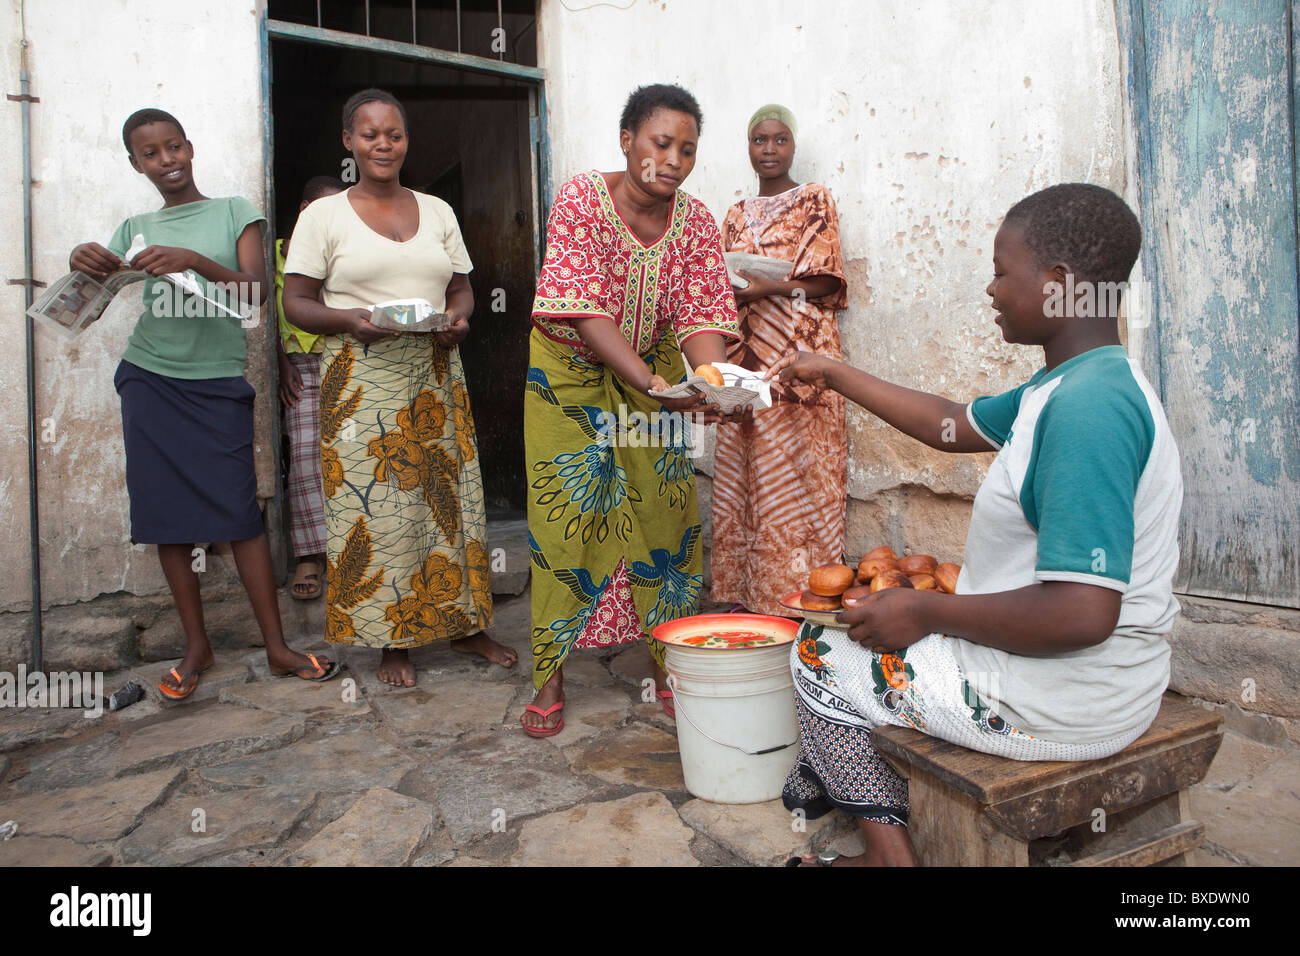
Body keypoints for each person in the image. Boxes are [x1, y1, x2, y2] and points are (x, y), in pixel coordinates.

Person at [769, 183, 1182, 866]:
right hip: (1103, 683)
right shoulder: (1071, 383)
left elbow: (1084, 614)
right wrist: (833, 372)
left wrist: (928, 615)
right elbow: (951, 425)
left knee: (814, 652)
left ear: (1057, 284)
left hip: (1061, 699)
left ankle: (888, 856)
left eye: (1000, 270)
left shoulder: (1087, 411)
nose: (990, 289)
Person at [68, 108, 341, 699]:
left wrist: (192, 260)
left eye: (173, 147)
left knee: (241, 515)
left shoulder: (235, 211)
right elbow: (92, 299)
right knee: (168, 519)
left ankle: (276, 647)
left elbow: (258, 294)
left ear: (189, 147)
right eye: (151, 154)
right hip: (149, 379)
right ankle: (198, 647)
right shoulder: (135, 226)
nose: (166, 161)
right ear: (135, 163)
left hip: (217, 380)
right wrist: (81, 264)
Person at [521, 84, 746, 737]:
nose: (674, 159)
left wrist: (709, 381)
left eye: (688, 149)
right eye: (661, 142)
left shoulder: (696, 223)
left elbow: (703, 318)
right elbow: (586, 312)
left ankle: (668, 663)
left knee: (664, 512)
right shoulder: (582, 200)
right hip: (568, 378)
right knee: (567, 517)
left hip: (651, 374)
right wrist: (649, 380)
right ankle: (550, 673)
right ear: (627, 141)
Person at [281, 88, 516, 688]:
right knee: (380, 515)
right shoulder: (322, 217)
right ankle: (393, 640)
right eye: (370, 134)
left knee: (451, 506)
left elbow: (461, 286)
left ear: (406, 141)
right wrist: (351, 321)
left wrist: (459, 320)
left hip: (433, 375)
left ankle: (464, 625)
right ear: (349, 142)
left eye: (394, 134)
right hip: (359, 383)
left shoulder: (437, 210)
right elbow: (297, 303)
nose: (383, 144)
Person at [711, 104, 848, 616]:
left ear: (793, 146)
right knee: (746, 460)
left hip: (799, 346)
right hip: (744, 350)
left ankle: (799, 591)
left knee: (799, 463)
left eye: (780, 140)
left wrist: (771, 288)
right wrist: (736, 290)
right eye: (759, 140)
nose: (769, 150)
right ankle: (745, 589)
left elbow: (826, 280)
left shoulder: (814, 199)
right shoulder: (734, 214)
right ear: (748, 147)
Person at [274, 175, 345, 601]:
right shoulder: (278, 256)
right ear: (304, 210)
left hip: (345, 360)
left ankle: (348, 550)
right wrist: (280, 364)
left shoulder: (346, 252)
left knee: (351, 453)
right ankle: (310, 553)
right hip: (299, 366)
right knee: (304, 457)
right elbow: (267, 318)